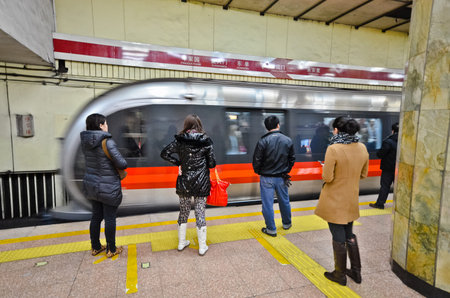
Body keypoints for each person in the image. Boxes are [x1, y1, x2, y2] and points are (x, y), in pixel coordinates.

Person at [315, 116, 369, 286]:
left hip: (335, 200)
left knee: (338, 234)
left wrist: (327, 168)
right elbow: (363, 174)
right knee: (349, 234)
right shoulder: (362, 147)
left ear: (337, 130)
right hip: (351, 198)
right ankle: (356, 271)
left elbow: (327, 177)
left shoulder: (334, 149)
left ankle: (339, 274)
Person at [160, 114, 216, 256]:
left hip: (184, 182)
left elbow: (164, 153)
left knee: (184, 212)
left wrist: (179, 163)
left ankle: (181, 242)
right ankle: (202, 246)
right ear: (199, 125)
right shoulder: (206, 141)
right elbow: (211, 163)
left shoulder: (180, 141)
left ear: (186, 125)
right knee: (200, 213)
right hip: (201, 183)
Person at [80, 113, 127, 258]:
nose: (107, 126)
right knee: (110, 218)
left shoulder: (86, 142)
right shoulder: (107, 142)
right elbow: (122, 164)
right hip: (108, 186)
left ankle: (95, 247)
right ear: (101, 125)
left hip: (92, 185)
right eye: (105, 123)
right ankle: (111, 249)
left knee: (96, 216)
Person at [252, 115, 295, 237]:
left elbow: (256, 161)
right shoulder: (287, 140)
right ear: (278, 125)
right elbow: (292, 159)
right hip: (282, 177)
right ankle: (287, 223)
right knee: (285, 201)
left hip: (266, 177)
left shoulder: (262, 141)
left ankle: (271, 229)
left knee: (267, 204)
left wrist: (261, 171)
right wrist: (286, 170)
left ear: (266, 127)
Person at [369, 122, 399, 209]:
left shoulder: (388, 141)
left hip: (388, 168)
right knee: (399, 187)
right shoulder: (405, 140)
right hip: (399, 168)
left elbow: (380, 154)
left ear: (392, 131)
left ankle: (380, 204)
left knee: (385, 186)